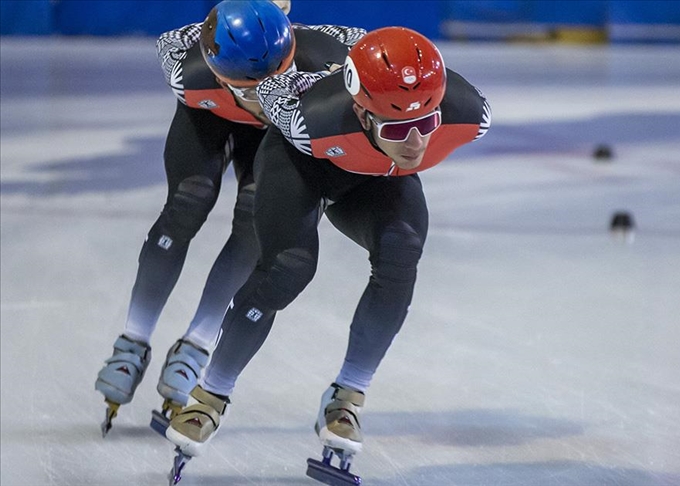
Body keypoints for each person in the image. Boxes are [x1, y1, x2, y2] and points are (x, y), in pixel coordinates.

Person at [165, 26, 491, 472]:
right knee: (288, 268)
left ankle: (348, 397)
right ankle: (210, 396)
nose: (416, 142)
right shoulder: (305, 117)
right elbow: (267, 83)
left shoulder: (470, 112)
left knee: (402, 252)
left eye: (426, 124)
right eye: (399, 127)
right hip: (302, 168)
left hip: (375, 179)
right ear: (361, 112)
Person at [94, 0, 365, 436]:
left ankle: (196, 344)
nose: (259, 93)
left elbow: (371, 51)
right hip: (209, 115)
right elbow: (172, 42)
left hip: (273, 134)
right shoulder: (190, 66)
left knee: (256, 222)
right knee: (187, 202)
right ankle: (132, 341)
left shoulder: (321, 48)